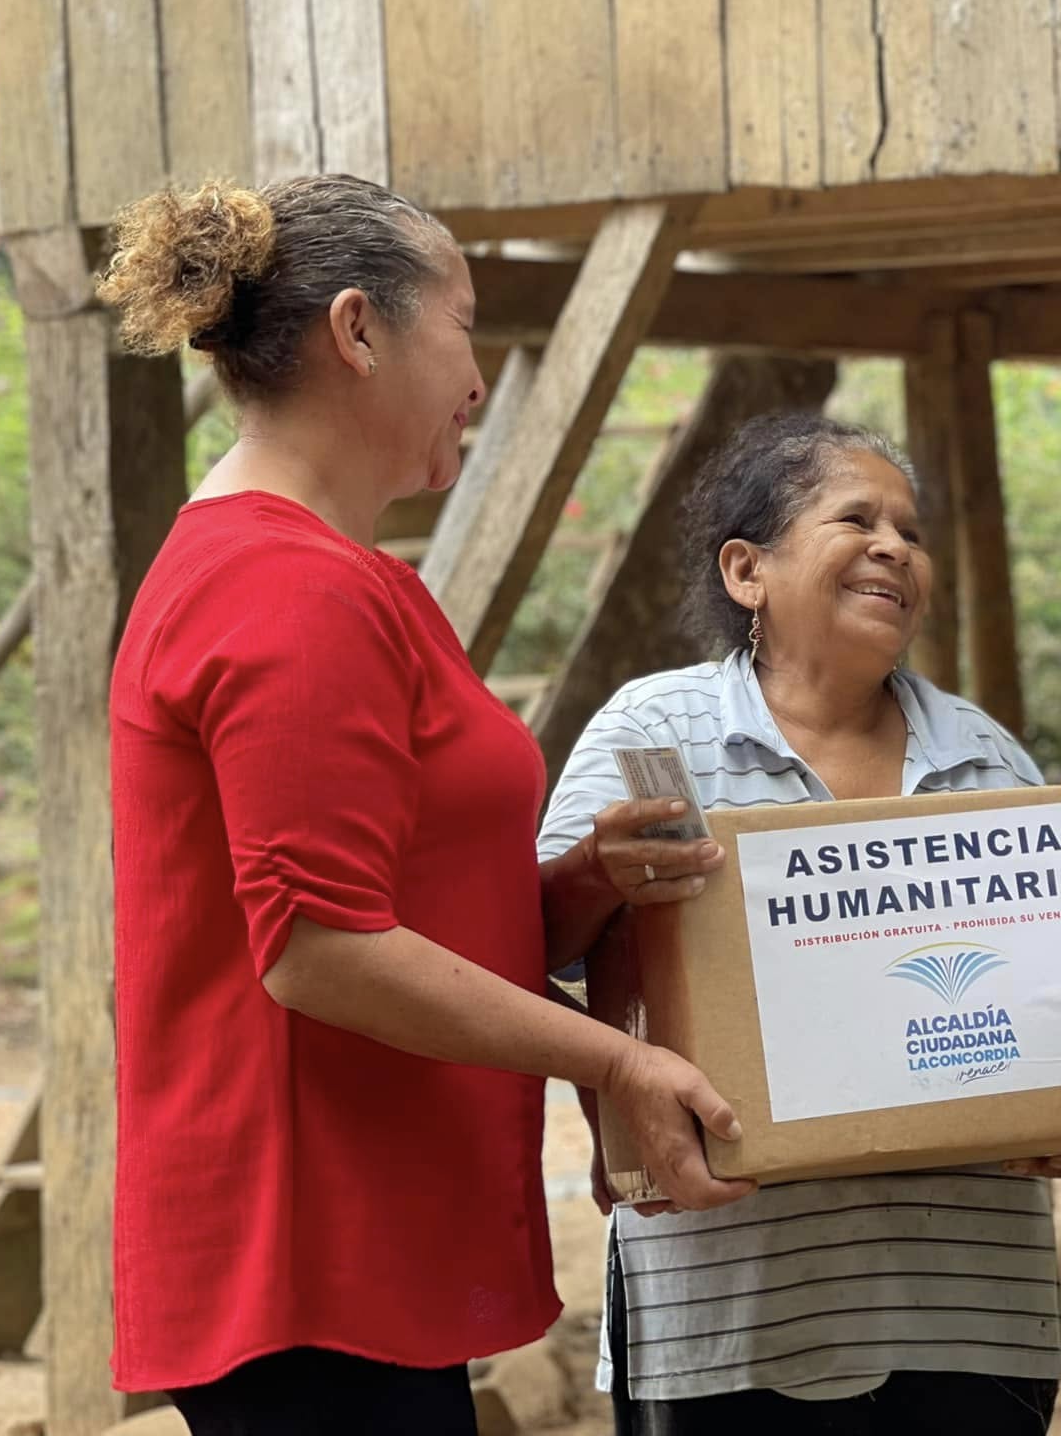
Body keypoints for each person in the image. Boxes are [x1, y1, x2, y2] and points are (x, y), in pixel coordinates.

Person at [103, 176, 751, 1436]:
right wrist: (617, 1059)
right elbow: (319, 947)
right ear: (358, 330)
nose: (479, 374)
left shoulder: (337, 577)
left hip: (362, 1239)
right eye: (461, 326)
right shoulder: (281, 585)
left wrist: (581, 884)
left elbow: (393, 903)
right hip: (307, 1251)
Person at [538, 412, 1061, 1436]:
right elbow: (530, 947)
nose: (894, 547)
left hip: (969, 1309)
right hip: (726, 1310)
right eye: (855, 519)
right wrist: (597, 871)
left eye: (911, 532)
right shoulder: (654, 734)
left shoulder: (985, 756)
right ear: (746, 572)